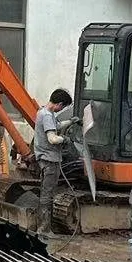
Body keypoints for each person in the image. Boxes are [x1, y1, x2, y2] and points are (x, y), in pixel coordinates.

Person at [31, 88, 75, 234]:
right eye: (63, 107)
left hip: (46, 159)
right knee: (47, 195)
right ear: (60, 104)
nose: (62, 109)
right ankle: (44, 229)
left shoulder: (43, 112)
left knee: (46, 192)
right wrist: (66, 139)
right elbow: (52, 138)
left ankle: (43, 227)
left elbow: (56, 126)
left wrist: (71, 121)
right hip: (49, 161)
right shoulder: (47, 116)